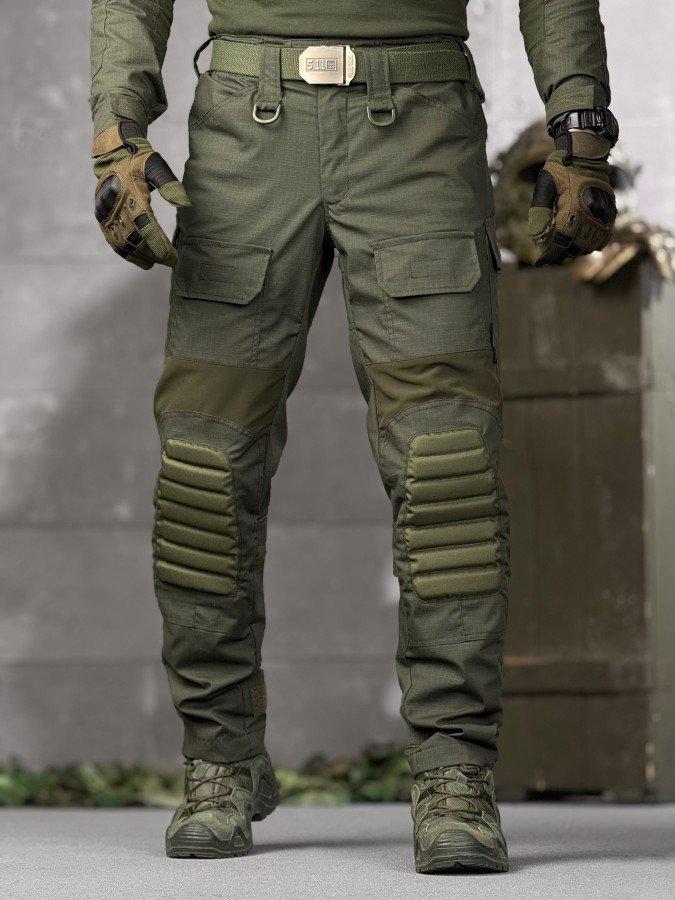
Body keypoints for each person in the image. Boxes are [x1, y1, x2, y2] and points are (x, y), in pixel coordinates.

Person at [90, 0, 617, 873]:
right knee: (203, 467)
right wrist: (118, 129)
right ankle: (219, 757)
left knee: (447, 468)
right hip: (248, 133)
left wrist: (579, 122)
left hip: (418, 133)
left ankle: (454, 771)